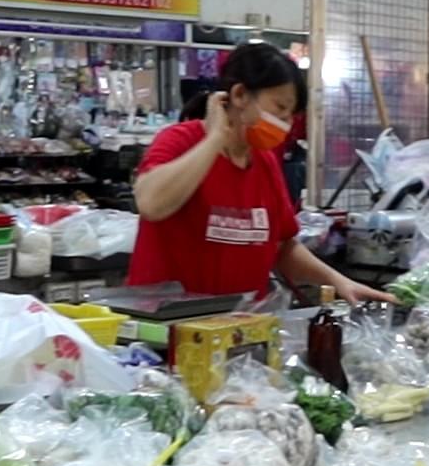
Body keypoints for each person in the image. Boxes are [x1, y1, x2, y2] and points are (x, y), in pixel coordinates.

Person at [130, 42, 391, 302]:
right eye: (280, 107)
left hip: (241, 329)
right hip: (169, 329)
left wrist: (339, 282)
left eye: (291, 115)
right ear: (240, 95)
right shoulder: (179, 140)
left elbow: (283, 248)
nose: (286, 123)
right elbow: (151, 203)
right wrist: (215, 138)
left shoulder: (264, 161)